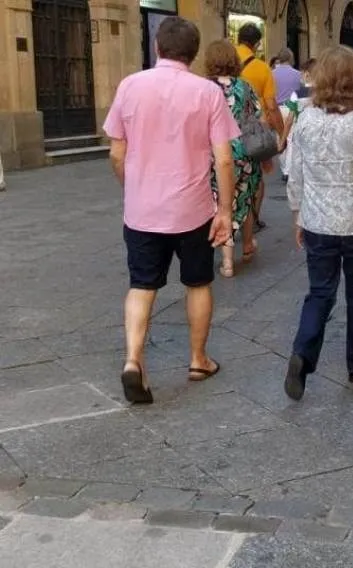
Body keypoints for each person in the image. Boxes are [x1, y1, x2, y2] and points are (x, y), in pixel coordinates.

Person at [103, 17, 238, 404]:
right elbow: (224, 158)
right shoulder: (207, 93)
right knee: (198, 282)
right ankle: (198, 359)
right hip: (193, 208)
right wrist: (225, 210)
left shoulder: (130, 86)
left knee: (141, 284)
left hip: (143, 210)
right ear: (193, 55)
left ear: (158, 48)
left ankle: (133, 360)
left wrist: (132, 185)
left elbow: (116, 152)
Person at [284, 46, 353, 401]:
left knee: (319, 292)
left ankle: (303, 352)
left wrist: (297, 214)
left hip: (317, 221)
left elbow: (295, 174)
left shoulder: (306, 119)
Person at [205, 39, 263, 278]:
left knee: (222, 203)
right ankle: (247, 245)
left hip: (214, 153)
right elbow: (256, 116)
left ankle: (227, 262)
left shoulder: (204, 87)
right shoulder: (245, 86)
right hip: (245, 152)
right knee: (245, 197)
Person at [236, 24, 283, 233]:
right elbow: (271, 106)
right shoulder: (262, 68)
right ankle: (252, 219)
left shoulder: (224, 61)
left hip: (224, 129)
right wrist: (281, 133)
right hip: (253, 132)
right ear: (256, 43)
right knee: (255, 177)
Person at [272, 47, 303, 183]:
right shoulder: (298, 74)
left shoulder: (271, 74)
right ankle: (288, 170)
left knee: (279, 137)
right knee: (291, 138)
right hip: (292, 108)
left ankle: (284, 166)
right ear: (291, 58)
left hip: (276, 109)